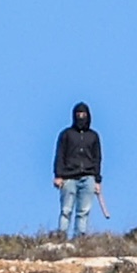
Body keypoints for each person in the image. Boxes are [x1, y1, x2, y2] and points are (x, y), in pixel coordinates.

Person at [52, 103, 102, 240]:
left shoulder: (93, 136)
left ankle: (80, 239)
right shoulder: (66, 134)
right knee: (66, 210)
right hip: (69, 178)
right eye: (78, 115)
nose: (81, 118)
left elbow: (97, 158)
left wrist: (97, 180)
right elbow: (60, 155)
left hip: (88, 178)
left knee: (83, 211)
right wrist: (58, 175)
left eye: (83, 115)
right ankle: (61, 237)